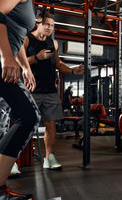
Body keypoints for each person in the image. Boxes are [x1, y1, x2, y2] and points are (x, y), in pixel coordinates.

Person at [0, 0, 64, 199]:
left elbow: (15, 34)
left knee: (4, 122)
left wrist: (24, 66)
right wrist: (6, 57)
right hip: (1, 61)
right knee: (28, 116)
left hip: (7, 59)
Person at [23, 11, 84, 171]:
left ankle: (48, 157)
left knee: (51, 124)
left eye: (52, 25)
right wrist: (36, 57)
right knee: (24, 124)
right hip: (32, 89)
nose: (50, 28)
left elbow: (57, 63)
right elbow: (18, 60)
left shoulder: (53, 43)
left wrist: (72, 71)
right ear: (38, 23)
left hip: (50, 90)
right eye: (47, 25)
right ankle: (13, 160)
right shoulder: (27, 39)